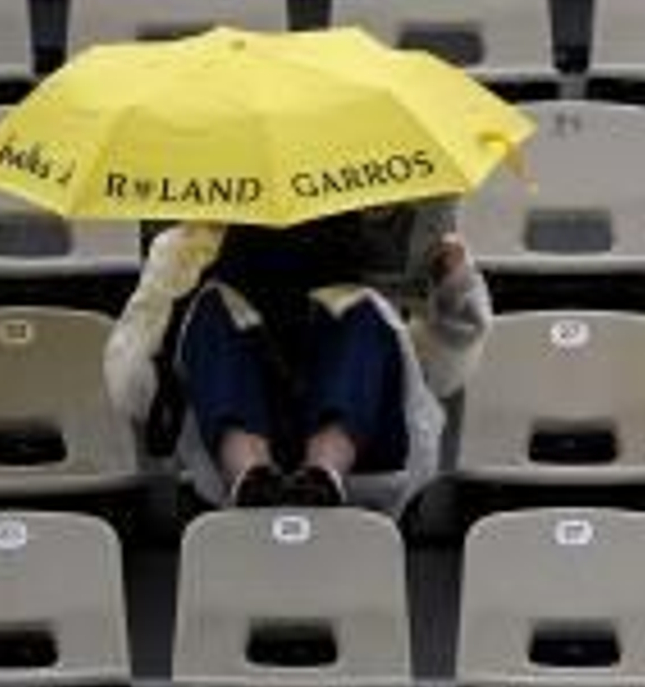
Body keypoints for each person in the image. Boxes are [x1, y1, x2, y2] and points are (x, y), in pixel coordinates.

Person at [102, 198, 491, 510]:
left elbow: (442, 376)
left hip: (364, 457)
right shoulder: (182, 247)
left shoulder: (399, 237)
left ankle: (322, 474)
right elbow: (133, 393)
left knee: (361, 307)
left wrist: (455, 292)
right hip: (230, 465)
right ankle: (252, 475)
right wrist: (178, 299)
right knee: (211, 305)